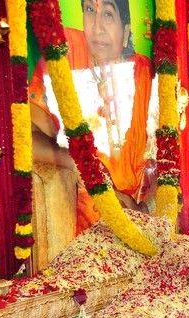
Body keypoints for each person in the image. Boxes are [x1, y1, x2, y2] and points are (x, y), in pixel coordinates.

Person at [29, 0, 156, 230]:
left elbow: (167, 161)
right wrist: (75, 162)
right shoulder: (66, 55)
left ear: (125, 31)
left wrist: (141, 210)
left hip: (137, 219)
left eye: (108, 14)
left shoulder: (142, 73)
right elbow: (28, 138)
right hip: (80, 225)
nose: (97, 27)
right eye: (90, 10)